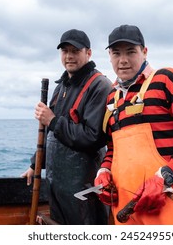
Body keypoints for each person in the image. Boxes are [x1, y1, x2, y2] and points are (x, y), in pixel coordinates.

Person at [94, 24, 173, 225]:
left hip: (170, 204)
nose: (122, 60)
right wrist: (104, 171)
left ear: (144, 51)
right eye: (116, 53)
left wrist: (164, 177)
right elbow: (113, 148)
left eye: (131, 52)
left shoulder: (168, 79)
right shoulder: (112, 97)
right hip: (125, 209)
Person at [21, 29, 112, 225]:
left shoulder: (100, 86)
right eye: (64, 51)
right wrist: (35, 164)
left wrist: (53, 120)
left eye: (75, 51)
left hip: (84, 186)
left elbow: (92, 137)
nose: (69, 56)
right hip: (58, 184)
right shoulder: (61, 86)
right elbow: (50, 133)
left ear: (88, 53)